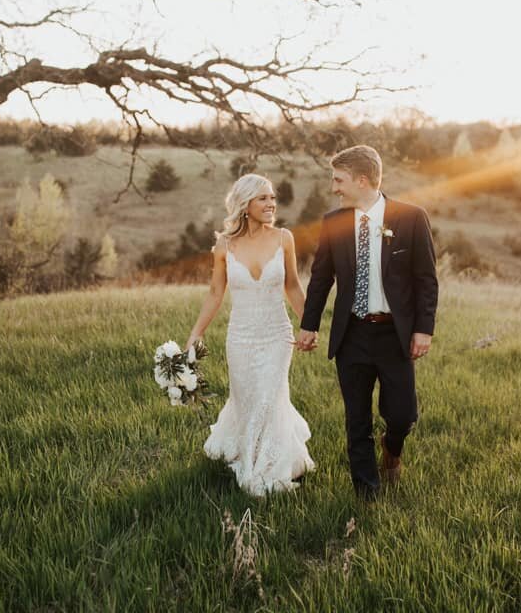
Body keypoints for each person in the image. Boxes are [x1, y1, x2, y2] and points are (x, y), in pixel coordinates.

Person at [297, 145, 438, 500]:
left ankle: (392, 449)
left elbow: (426, 279)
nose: (334, 188)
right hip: (353, 334)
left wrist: (424, 329)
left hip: (395, 335)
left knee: (403, 415)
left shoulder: (411, 217)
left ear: (362, 180)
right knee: (356, 418)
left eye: (339, 180)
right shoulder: (334, 222)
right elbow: (320, 278)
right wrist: (309, 325)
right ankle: (367, 493)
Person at [186, 174, 314, 496]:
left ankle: (270, 468)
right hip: (240, 338)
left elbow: (293, 286)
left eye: (273, 198)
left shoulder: (284, 237)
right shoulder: (224, 245)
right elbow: (216, 293)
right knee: (247, 399)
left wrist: (309, 325)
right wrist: (196, 333)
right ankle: (246, 452)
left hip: (276, 336)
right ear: (245, 205)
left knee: (269, 400)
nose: (271, 204)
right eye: (263, 199)